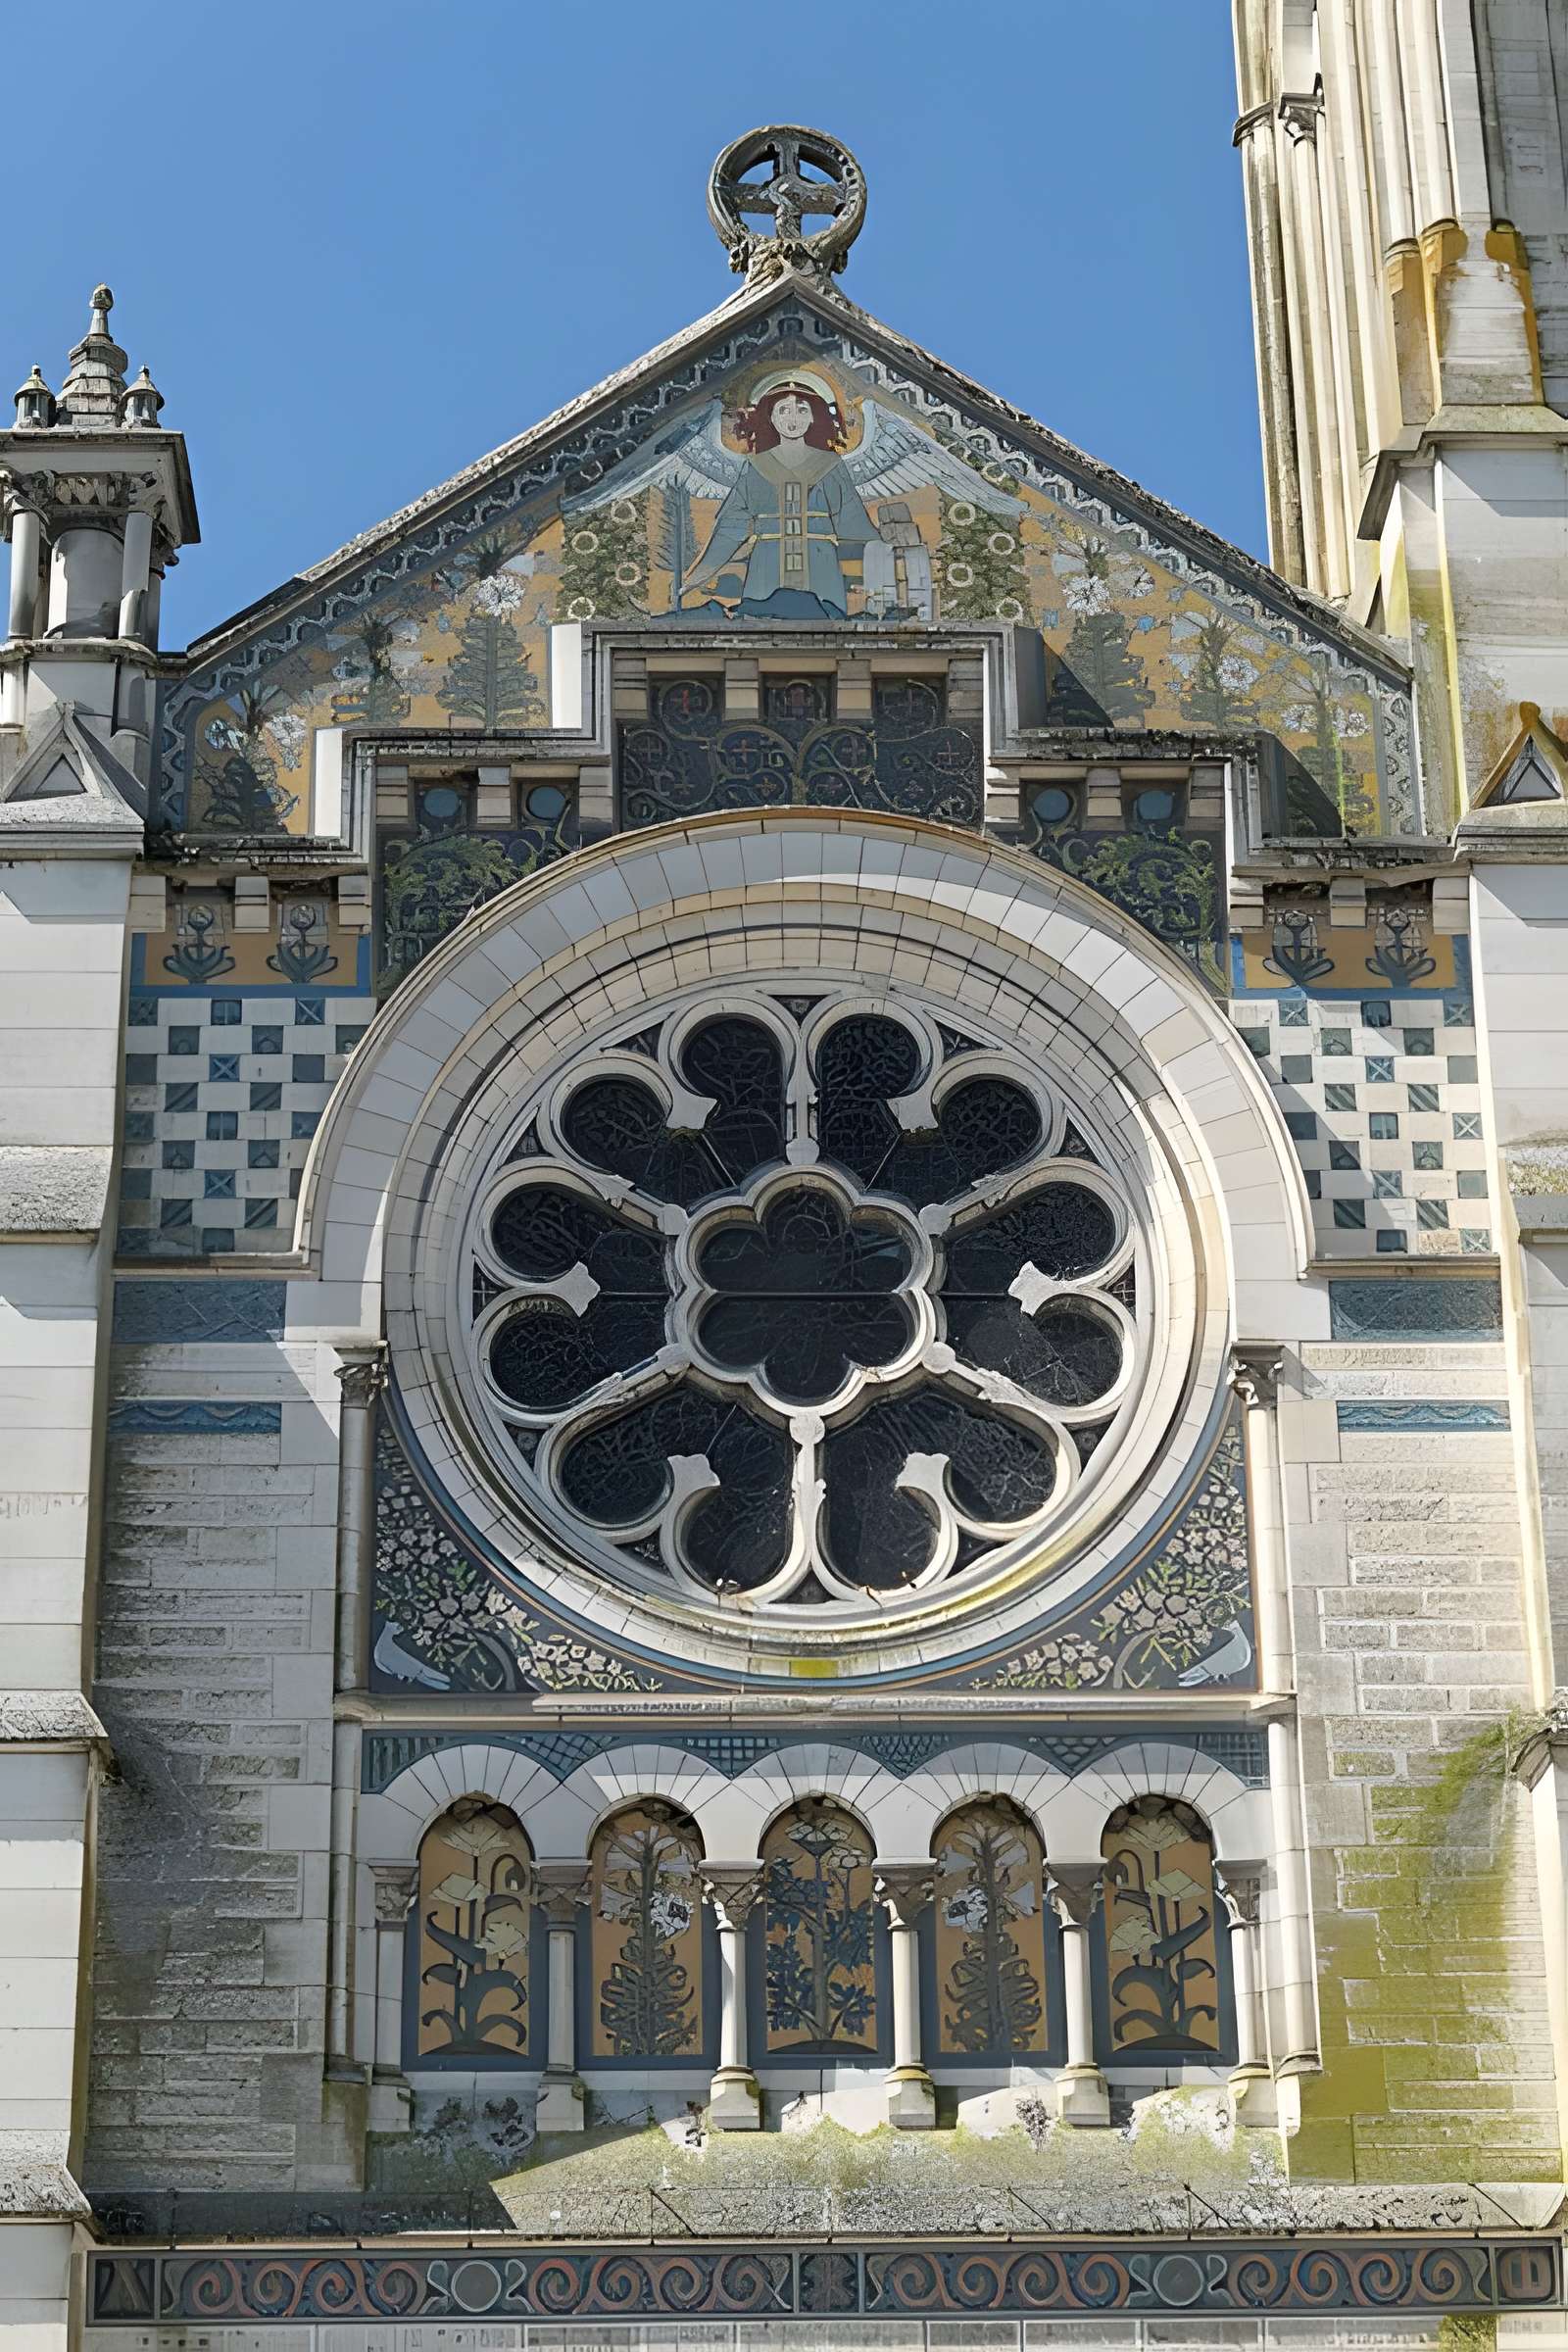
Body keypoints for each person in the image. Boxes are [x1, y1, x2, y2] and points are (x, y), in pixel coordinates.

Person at [684, 376, 881, 617]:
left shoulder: (830, 464)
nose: (792, 418)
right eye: (783, 410)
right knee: (761, 626)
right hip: (768, 563)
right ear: (771, 417)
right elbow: (732, 526)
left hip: (819, 563)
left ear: (813, 417)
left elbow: (851, 520)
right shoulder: (756, 466)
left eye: (801, 410)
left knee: (826, 628)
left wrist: (884, 551)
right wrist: (699, 575)